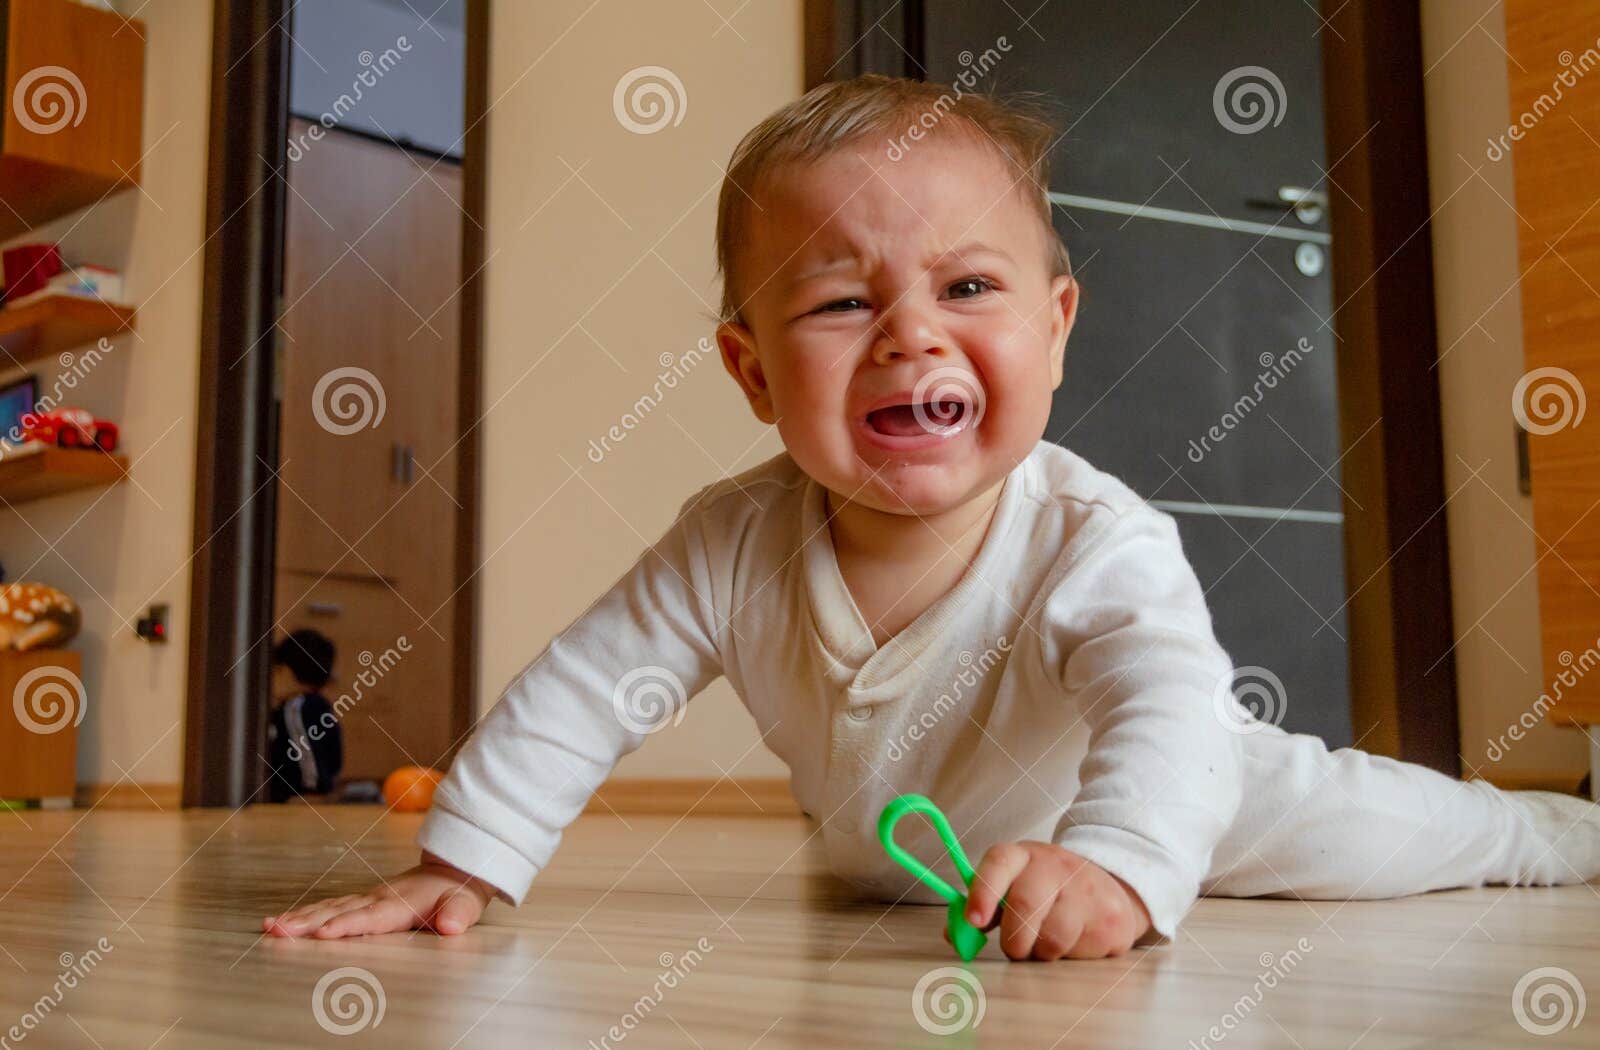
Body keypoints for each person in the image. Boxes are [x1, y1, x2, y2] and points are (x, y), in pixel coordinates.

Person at [263, 76, 1600, 959]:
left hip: (1210, 791)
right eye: (842, 302)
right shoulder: (728, 544)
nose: (911, 335)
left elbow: (1164, 707)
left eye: (967, 286)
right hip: (912, 865)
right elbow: (587, 685)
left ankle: (1559, 830)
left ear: (1056, 329)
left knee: (1398, 834)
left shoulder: (1092, 535)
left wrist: (1120, 870)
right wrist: (470, 861)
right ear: (750, 371)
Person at [264, 628, 342, 803]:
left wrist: (312, 793)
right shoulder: (319, 705)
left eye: (276, 670)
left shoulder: (295, 708)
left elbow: (306, 754)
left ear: (287, 672)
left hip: (301, 796)